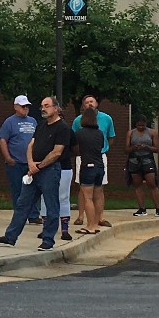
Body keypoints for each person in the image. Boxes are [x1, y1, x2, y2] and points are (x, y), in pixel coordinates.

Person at [0, 95, 73, 251]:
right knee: (23, 203)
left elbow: (57, 153)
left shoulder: (62, 128)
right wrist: (31, 163)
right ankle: (10, 236)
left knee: (51, 205)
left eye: (47, 105)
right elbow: (31, 145)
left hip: (50, 171)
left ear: (56, 108)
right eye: (42, 105)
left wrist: (39, 166)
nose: (43, 108)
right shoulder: (41, 125)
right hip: (34, 169)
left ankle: (48, 240)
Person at [70, 96, 116, 228]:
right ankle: (80, 216)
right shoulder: (78, 120)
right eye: (86, 102)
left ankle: (98, 219)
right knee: (82, 188)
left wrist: (103, 149)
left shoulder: (107, 118)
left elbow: (110, 138)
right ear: (83, 106)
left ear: (97, 104)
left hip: (99, 156)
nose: (89, 104)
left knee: (97, 189)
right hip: (84, 157)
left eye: (92, 101)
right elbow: (74, 139)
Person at [0, 95, 37, 220]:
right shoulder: (9, 122)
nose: (26, 109)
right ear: (16, 107)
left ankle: (34, 215)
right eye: (23, 106)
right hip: (15, 163)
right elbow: (3, 140)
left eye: (27, 106)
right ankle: (20, 216)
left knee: (32, 190)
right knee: (17, 190)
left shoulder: (33, 121)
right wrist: (8, 158)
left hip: (30, 162)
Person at [125, 115, 159, 218]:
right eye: (139, 125)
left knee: (152, 183)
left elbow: (157, 148)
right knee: (137, 184)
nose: (141, 127)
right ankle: (142, 208)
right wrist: (134, 148)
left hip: (147, 159)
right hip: (134, 160)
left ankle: (158, 208)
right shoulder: (131, 133)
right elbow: (126, 150)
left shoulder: (152, 132)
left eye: (143, 125)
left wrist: (147, 147)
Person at [72, 110, 107, 232]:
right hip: (100, 165)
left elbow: (75, 150)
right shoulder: (100, 133)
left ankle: (90, 226)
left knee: (88, 197)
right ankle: (96, 224)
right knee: (97, 196)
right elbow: (102, 146)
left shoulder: (79, 134)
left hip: (87, 166)